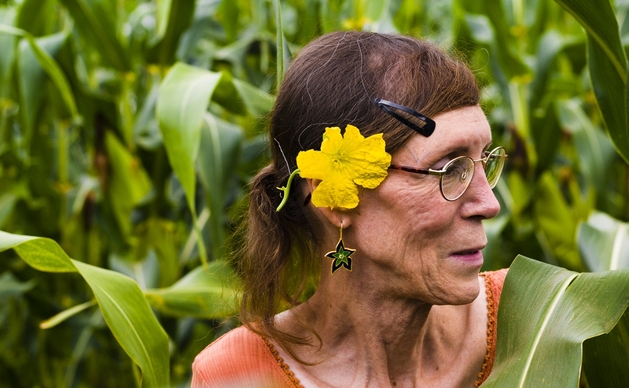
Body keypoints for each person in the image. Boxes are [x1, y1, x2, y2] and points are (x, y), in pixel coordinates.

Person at [192, 30, 508, 388]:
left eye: (485, 161)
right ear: (336, 197)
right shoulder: (237, 377)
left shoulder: (534, 318)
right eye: (449, 169)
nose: (489, 204)